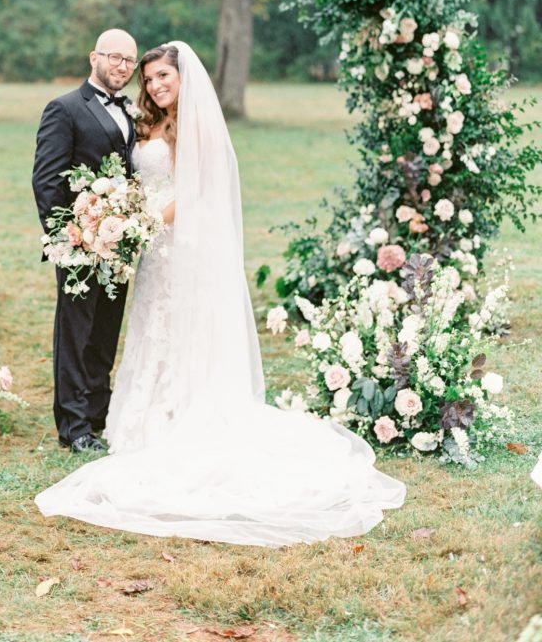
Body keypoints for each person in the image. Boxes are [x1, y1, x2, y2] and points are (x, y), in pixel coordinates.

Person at [35, 41, 406, 547]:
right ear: (97, 59)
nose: (154, 85)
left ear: (184, 77)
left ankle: (177, 414)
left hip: (174, 241)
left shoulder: (196, 127)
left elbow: (192, 189)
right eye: (150, 79)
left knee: (182, 329)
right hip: (142, 246)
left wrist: (139, 223)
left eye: (162, 76)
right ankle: (115, 418)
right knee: (146, 329)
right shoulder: (136, 120)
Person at [32, 29, 138, 453]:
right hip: (79, 244)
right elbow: (47, 180)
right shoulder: (65, 109)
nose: (123, 67)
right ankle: (73, 427)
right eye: (115, 57)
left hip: (119, 245)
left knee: (105, 332)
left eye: (129, 61)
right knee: (75, 335)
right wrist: (68, 239)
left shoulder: (130, 111)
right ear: (94, 57)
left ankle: (98, 414)